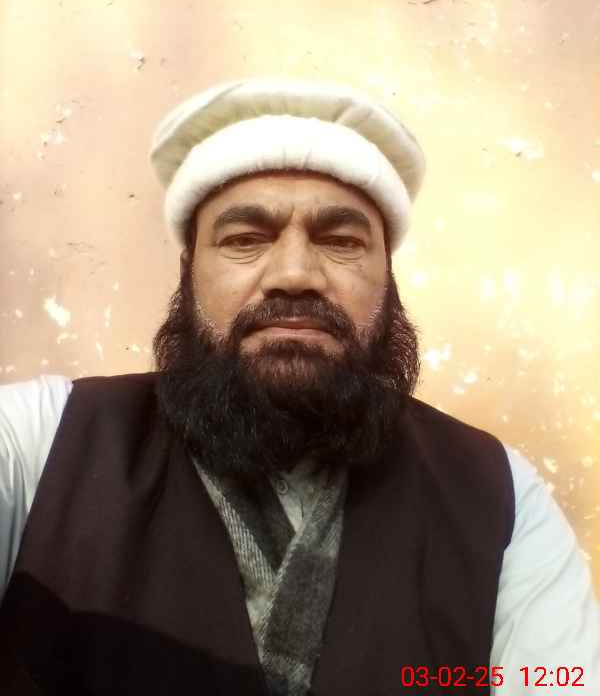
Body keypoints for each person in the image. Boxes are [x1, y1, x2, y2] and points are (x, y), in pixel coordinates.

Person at [0, 78, 598, 695]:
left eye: (340, 241)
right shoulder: (40, 445)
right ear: (188, 272)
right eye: (244, 239)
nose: (293, 274)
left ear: (388, 279)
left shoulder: (499, 497)